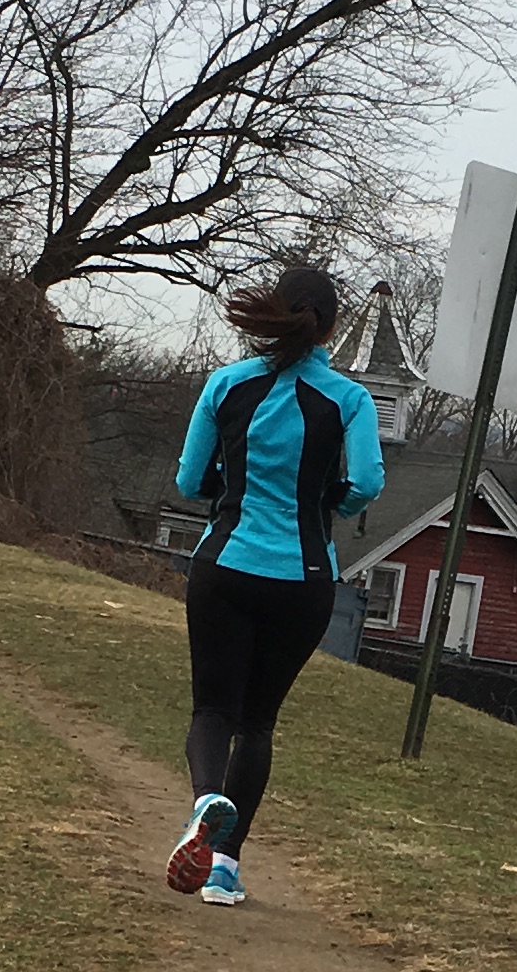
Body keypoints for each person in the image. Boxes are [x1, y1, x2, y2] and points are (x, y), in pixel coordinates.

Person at [165, 260, 386, 906]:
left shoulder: (226, 384)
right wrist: (329, 503)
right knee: (258, 723)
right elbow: (367, 482)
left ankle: (206, 800)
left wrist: (229, 490)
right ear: (330, 330)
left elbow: (189, 481)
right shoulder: (349, 400)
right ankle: (224, 868)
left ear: (276, 313)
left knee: (212, 710)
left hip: (225, 567)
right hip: (303, 578)